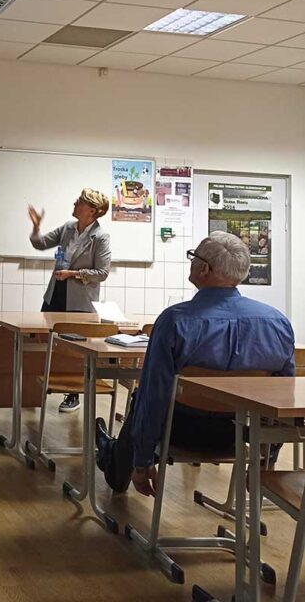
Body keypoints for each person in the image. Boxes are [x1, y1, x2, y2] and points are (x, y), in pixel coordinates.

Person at [95, 231, 294, 496]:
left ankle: (114, 461)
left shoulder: (174, 321)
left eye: (193, 257)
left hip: (177, 433)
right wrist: (266, 461)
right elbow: (284, 400)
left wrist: (142, 462)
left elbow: (154, 398)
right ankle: (111, 454)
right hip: (240, 434)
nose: (191, 262)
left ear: (204, 269)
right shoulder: (277, 323)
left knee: (142, 397)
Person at [28, 188, 112, 412]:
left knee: (74, 349)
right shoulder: (67, 228)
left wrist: (73, 274)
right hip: (55, 292)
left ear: (92, 211)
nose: (75, 204)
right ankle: (35, 388)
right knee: (44, 340)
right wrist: (36, 226)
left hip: (79, 300)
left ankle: (73, 394)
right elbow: (39, 243)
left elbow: (102, 273)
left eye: (80, 202)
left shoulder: (100, 238)